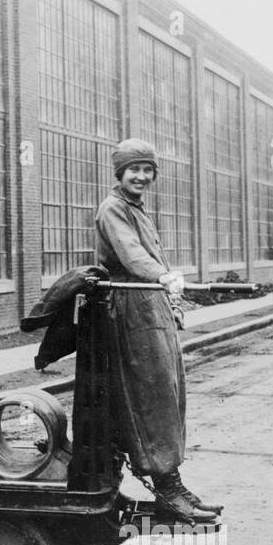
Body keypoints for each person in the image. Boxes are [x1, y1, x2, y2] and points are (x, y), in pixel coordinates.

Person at [94, 138, 220, 523]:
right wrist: (163, 277)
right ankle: (166, 488)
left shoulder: (137, 209)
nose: (142, 176)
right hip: (133, 310)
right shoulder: (113, 208)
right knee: (152, 396)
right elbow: (133, 256)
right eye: (135, 169)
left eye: (148, 170)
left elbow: (152, 256)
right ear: (120, 172)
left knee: (169, 391)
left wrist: (174, 303)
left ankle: (172, 482)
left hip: (152, 306)